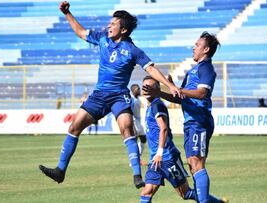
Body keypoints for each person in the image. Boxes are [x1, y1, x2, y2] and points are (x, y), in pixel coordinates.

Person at [39, 1, 182, 189]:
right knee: (74, 126)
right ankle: (60, 170)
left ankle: (137, 176)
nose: (109, 26)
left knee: (127, 128)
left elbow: (151, 69)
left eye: (113, 24)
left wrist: (169, 84)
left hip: (118, 96)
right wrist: (67, 13)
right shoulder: (103, 38)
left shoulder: (132, 50)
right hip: (98, 95)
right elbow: (81, 33)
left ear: (123, 30)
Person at [143, 32, 228, 202]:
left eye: (197, 45)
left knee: (196, 163)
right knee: (192, 163)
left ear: (206, 49)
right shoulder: (193, 70)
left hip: (199, 121)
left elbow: (202, 93)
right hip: (191, 122)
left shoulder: (206, 69)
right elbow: (178, 97)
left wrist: (178, 89)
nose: (193, 48)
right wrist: (161, 91)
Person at [140, 76, 197, 203]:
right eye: (144, 86)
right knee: (146, 192)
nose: (146, 89)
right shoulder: (150, 107)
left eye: (150, 87)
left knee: (186, 193)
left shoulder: (157, 106)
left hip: (167, 157)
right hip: (155, 160)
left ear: (157, 89)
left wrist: (159, 152)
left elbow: (163, 128)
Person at [131, 84, 147, 158]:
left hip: (139, 121)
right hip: (134, 121)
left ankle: (138, 157)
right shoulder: (131, 100)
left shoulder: (138, 99)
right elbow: (129, 112)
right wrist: (132, 125)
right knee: (135, 140)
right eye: (138, 89)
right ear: (133, 90)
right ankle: (134, 159)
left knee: (143, 139)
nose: (139, 90)